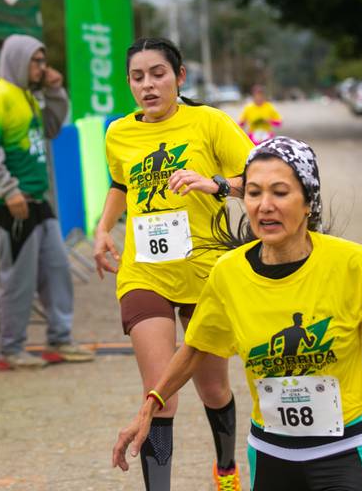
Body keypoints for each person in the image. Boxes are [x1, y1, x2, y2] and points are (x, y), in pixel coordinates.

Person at [113, 137, 362, 491]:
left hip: (343, 452)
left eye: (280, 193)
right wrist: (150, 406)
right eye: (254, 193)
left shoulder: (351, 264)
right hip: (269, 455)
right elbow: (197, 348)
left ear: (308, 202)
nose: (265, 206)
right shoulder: (228, 273)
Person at [94, 37, 253, 490]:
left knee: (213, 389)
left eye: (158, 74)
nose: (148, 85)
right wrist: (103, 228)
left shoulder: (209, 122)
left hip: (205, 272)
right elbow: (120, 184)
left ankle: (226, 468)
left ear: (179, 77)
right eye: (137, 77)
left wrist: (214, 183)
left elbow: (260, 178)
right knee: (159, 393)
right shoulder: (118, 132)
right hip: (144, 272)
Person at [0, 34, 95, 369]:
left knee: (57, 270)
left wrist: (55, 90)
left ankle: (60, 339)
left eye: (43, 61)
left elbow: (52, 128)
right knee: (18, 280)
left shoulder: (27, 95)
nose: (42, 68)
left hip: (37, 200)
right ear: (18, 60)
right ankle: (10, 349)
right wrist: (8, 190)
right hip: (12, 203)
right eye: (36, 61)